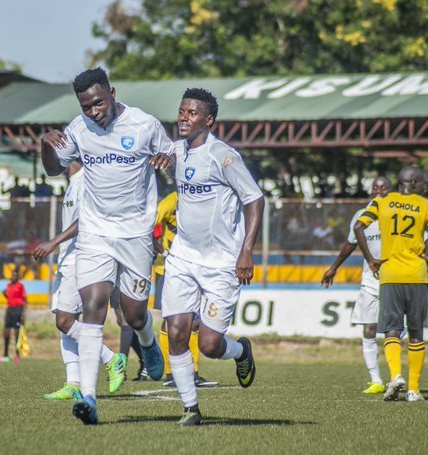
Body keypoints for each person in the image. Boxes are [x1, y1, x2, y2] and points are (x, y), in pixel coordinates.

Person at [40, 67, 174, 425]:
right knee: (93, 305)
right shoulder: (78, 129)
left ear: (112, 93)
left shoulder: (144, 125)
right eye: (86, 107)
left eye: (98, 103)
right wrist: (46, 146)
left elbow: (174, 156)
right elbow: (55, 169)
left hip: (135, 235)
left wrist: (167, 159)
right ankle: (88, 397)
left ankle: (147, 341)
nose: (93, 111)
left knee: (133, 313)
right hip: (95, 233)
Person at [162, 88, 264, 426]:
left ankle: (240, 351)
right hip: (183, 256)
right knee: (176, 331)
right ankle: (191, 409)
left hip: (221, 262)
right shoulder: (175, 150)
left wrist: (246, 251)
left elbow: (255, 200)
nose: (183, 117)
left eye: (191, 113)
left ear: (208, 120)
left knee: (208, 345)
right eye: (181, 111)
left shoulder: (224, 156)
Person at [354, 166, 428, 402]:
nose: (425, 187)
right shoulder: (426, 205)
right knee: (416, 331)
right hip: (417, 275)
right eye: (424, 183)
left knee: (391, 330)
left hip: (390, 274)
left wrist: (370, 260)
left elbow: (359, 226)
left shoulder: (381, 202)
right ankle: (414, 390)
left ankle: (396, 375)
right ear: (414, 183)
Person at [33, 160, 127, 400]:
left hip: (81, 257)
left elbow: (86, 219)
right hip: (67, 258)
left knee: (64, 321)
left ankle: (111, 358)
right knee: (65, 319)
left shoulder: (86, 179)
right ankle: (73, 383)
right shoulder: (72, 181)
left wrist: (53, 242)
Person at [322, 176, 391, 394]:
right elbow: (350, 244)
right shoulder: (361, 216)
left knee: (393, 331)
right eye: (375, 188)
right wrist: (334, 267)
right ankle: (376, 380)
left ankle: (396, 377)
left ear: (391, 191)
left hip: (395, 278)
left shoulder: (397, 214)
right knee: (369, 328)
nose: (378, 191)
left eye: (383, 188)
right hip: (370, 280)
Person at [154, 190, 217, 388]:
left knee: (195, 321)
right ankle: (171, 373)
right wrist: (164, 252)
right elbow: (152, 229)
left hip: (193, 268)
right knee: (171, 321)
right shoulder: (169, 202)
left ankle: (192, 372)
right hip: (168, 269)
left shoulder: (200, 200)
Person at [0, 268, 27, 364]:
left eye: (14, 275)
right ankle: (5, 355)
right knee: (6, 332)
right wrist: (4, 295)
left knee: (17, 333)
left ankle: (17, 355)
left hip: (18, 310)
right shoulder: (9, 285)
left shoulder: (20, 286)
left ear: (17, 277)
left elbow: (25, 300)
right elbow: (9, 297)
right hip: (9, 310)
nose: (12, 277)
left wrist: (23, 314)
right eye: (12, 275)